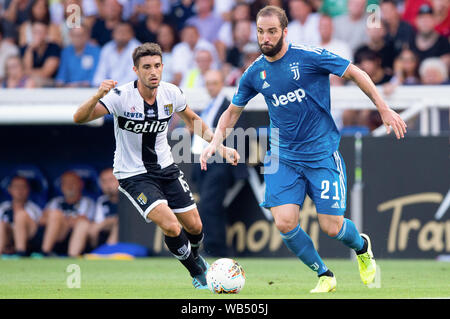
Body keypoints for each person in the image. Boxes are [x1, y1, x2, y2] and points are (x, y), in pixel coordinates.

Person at [200, 5, 407, 293]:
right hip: (283, 157)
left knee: (332, 227)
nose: (266, 38)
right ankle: (325, 274)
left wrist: (384, 109)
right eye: (261, 32)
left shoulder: (309, 56)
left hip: (321, 153)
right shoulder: (255, 72)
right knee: (285, 223)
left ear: (285, 31)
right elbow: (232, 111)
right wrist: (215, 140)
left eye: (272, 32)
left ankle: (362, 247)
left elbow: (355, 72)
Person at [73, 42, 239, 289]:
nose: (153, 72)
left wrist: (221, 147)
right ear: (135, 70)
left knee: (195, 226)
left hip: (166, 168)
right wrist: (97, 95)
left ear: (163, 67)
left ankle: (193, 256)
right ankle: (197, 274)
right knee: (172, 225)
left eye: (157, 66)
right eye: (147, 67)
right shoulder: (120, 97)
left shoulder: (171, 93)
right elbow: (79, 118)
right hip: (133, 174)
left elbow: (193, 120)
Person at [191, 69, 248, 257]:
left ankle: (215, 248)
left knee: (209, 206)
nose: (211, 87)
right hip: (204, 163)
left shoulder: (228, 107)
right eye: (208, 83)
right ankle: (214, 247)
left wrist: (229, 161)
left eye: (214, 83)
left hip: (219, 163)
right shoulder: (208, 107)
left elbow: (238, 134)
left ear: (222, 83)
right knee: (208, 206)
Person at [37, 171, 95, 257]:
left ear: (81, 184)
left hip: (75, 237)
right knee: (56, 215)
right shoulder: (55, 202)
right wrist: (60, 220)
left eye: (73, 182)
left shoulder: (87, 202)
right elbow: (41, 220)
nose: (69, 186)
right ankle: (45, 253)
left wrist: (60, 220)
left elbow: (84, 220)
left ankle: (72, 258)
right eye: (65, 183)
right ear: (61, 186)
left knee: (82, 224)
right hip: (56, 236)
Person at [0, 176, 42, 257]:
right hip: (8, 241)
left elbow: (37, 232)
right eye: (16, 187)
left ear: (28, 190)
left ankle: (20, 253)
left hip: (29, 242)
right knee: (1, 224)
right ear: (9, 189)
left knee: (21, 215)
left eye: (23, 187)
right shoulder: (3, 207)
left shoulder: (34, 209)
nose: (20, 190)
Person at [92, 21, 141, 86]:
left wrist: (114, 87)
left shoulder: (138, 49)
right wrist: (99, 84)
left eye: (125, 32)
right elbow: (100, 73)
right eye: (119, 32)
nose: (122, 34)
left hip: (130, 89)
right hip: (108, 89)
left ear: (132, 34)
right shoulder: (107, 48)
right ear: (113, 34)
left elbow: (133, 76)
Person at [55, 23, 100, 87]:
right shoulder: (66, 52)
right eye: (74, 35)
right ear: (70, 36)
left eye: (80, 35)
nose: (77, 38)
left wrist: (76, 85)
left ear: (87, 36)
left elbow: (95, 78)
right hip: (68, 91)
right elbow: (61, 77)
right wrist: (60, 85)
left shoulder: (95, 52)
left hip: (89, 91)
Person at [89, 168, 119, 248]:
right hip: (103, 234)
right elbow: (97, 224)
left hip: (128, 236)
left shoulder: (130, 198)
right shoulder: (101, 200)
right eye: (104, 181)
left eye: (111, 180)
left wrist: (110, 221)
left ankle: (109, 250)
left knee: (119, 222)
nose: (108, 185)